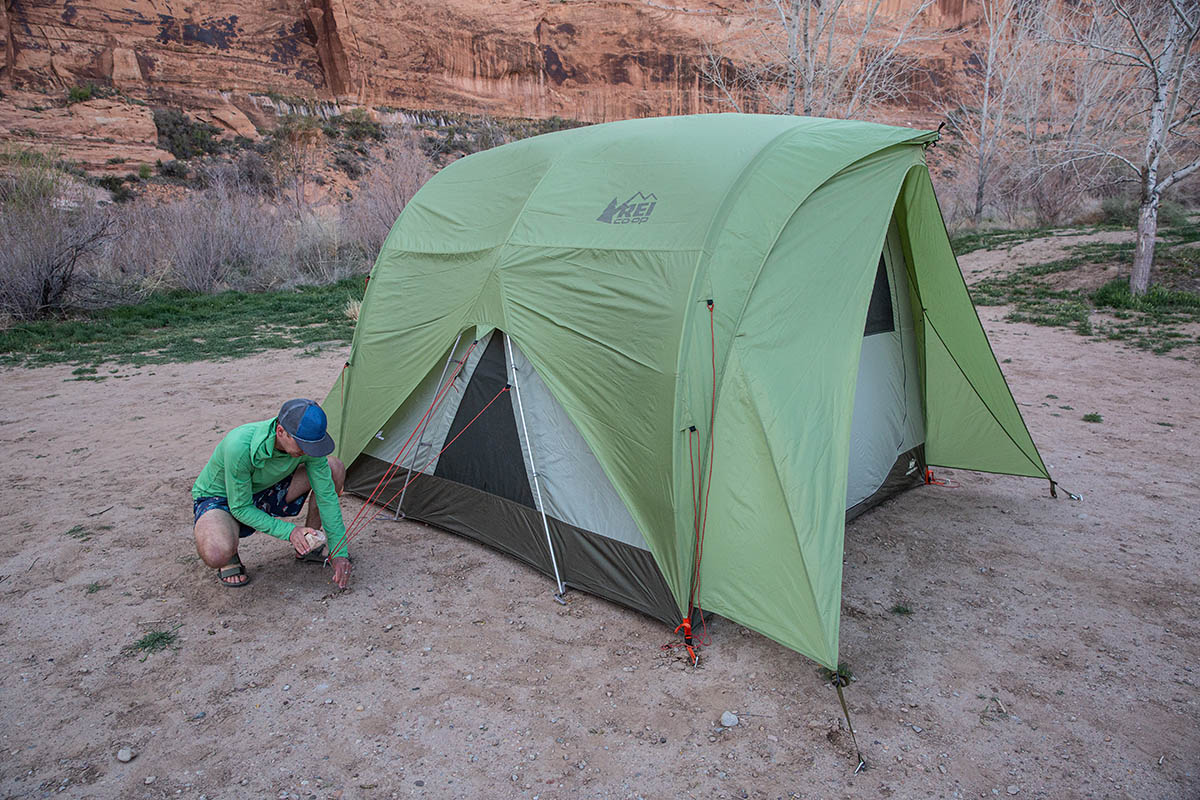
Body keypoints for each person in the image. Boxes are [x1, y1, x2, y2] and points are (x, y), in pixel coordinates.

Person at [192, 398, 352, 589]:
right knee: (216, 553)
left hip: (267, 488)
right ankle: (230, 555)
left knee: (334, 467)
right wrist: (290, 532)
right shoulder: (239, 445)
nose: (307, 451)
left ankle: (309, 543)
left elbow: (326, 497)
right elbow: (240, 507)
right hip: (222, 498)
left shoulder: (309, 447)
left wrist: (339, 552)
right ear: (281, 431)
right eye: (302, 444)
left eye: (312, 445)